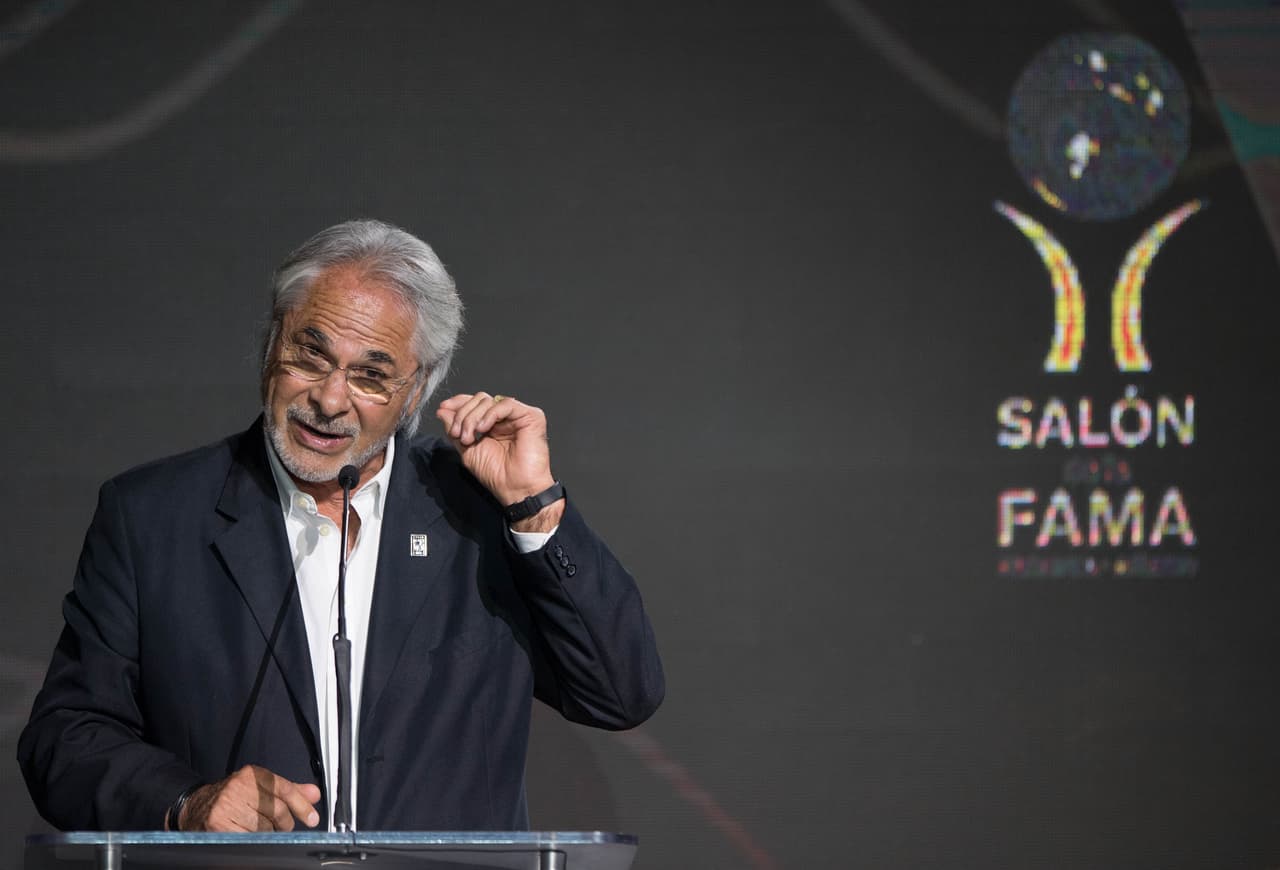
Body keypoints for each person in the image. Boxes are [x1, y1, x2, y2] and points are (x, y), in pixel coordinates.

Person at [17, 219, 664, 833]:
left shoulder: (480, 511)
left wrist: (535, 508)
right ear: (271, 344)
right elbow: (65, 736)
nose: (330, 400)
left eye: (371, 376)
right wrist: (187, 802)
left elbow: (619, 694)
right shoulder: (154, 516)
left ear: (416, 393)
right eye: (311, 354)